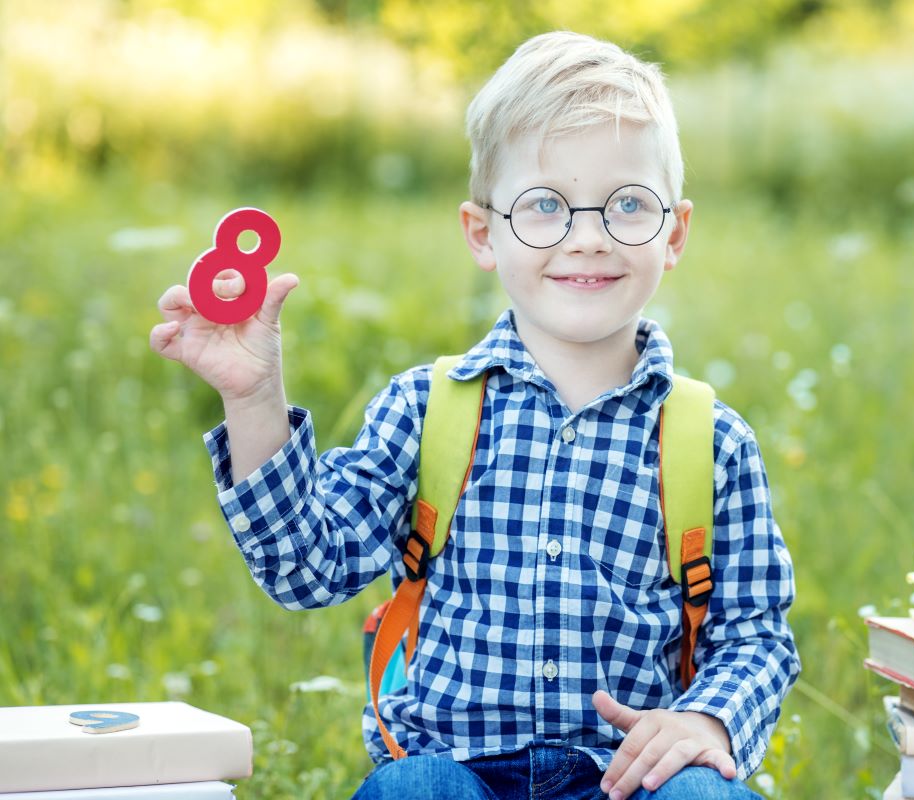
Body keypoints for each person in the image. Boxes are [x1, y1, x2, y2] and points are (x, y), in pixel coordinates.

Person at [150, 30, 799, 800]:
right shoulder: (429, 411)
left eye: (628, 204)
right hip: (459, 772)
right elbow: (306, 566)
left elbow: (755, 636)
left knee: (701, 793)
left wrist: (708, 722)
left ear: (675, 232)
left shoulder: (710, 441)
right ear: (483, 234)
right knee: (414, 790)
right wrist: (254, 397)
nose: (587, 237)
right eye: (544, 206)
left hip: (630, 779)